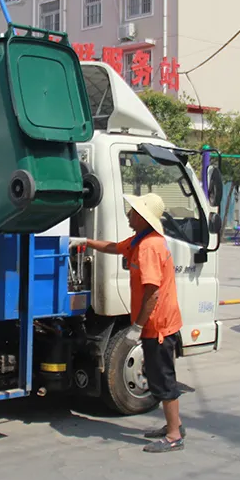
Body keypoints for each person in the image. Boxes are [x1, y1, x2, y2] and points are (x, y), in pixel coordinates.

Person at [79, 192, 185, 453]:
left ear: (143, 218)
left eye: (132, 212)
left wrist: (137, 326)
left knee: (161, 379)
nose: (128, 214)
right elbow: (115, 248)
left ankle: (174, 436)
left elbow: (152, 292)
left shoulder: (149, 247)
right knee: (158, 374)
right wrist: (85, 242)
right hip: (158, 321)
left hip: (157, 324)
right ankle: (175, 425)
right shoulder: (141, 240)